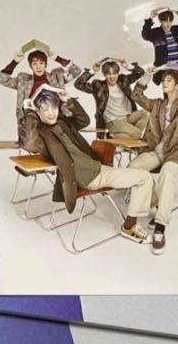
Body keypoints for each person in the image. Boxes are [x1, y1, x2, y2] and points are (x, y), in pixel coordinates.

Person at [23, 88, 155, 246]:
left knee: (141, 175)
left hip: (98, 168)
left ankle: (154, 205)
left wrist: (69, 101)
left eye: (54, 107)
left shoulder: (62, 122)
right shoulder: (40, 134)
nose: (51, 113)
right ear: (37, 111)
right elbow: (29, 143)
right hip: (91, 177)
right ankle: (129, 227)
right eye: (45, 109)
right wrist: (28, 113)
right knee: (144, 178)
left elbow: (83, 120)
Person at [129, 68, 178, 255]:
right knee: (133, 168)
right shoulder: (157, 104)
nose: (164, 83)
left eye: (168, 80)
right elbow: (136, 95)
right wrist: (147, 76)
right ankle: (156, 202)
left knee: (167, 173)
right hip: (157, 151)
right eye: (163, 80)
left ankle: (160, 226)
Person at [0, 44, 79, 152]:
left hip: (55, 118)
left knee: (62, 146)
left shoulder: (57, 76)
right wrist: (15, 62)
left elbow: (76, 71)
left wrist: (57, 58)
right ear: (30, 66)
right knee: (34, 144)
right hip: (33, 122)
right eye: (34, 64)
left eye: (41, 63)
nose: (38, 67)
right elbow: (2, 79)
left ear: (45, 64)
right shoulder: (23, 80)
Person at [72, 57, 149, 139]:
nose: (112, 77)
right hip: (113, 122)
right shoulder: (99, 86)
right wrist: (92, 71)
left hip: (128, 117)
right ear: (104, 75)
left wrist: (127, 66)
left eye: (114, 73)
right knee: (137, 133)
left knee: (146, 113)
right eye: (109, 74)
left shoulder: (123, 80)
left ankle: (117, 136)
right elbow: (78, 84)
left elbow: (140, 72)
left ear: (118, 73)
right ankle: (125, 135)